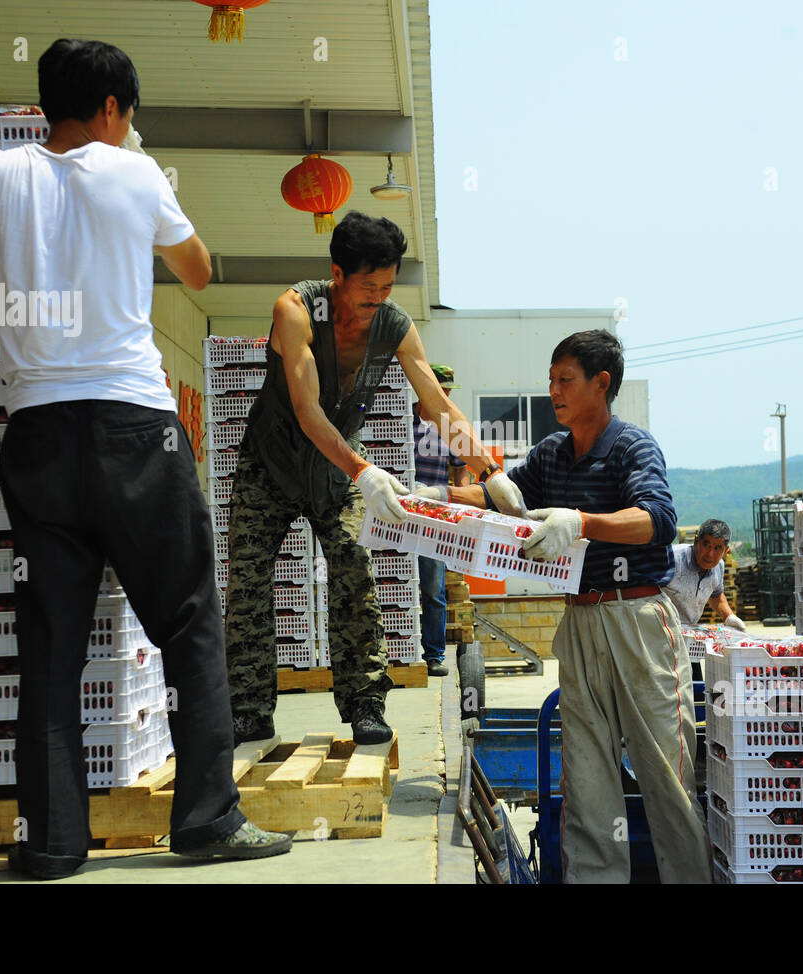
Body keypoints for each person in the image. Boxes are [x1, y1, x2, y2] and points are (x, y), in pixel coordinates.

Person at [0, 39, 292, 877]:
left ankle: (51, 844)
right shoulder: (137, 175)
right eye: (126, 113)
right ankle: (205, 822)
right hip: (137, 430)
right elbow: (201, 272)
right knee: (191, 626)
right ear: (110, 111)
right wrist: (142, 178)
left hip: (38, 439)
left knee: (50, 652)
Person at [417, 330, 710, 883]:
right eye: (550, 380)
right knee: (587, 779)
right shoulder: (552, 453)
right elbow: (504, 498)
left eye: (564, 380)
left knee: (665, 776)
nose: (553, 391)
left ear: (601, 384)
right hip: (580, 621)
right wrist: (429, 498)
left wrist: (580, 521)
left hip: (638, 622)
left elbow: (657, 521)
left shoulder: (632, 447)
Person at [224, 214, 522, 747]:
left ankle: (365, 701)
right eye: (369, 287)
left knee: (354, 572)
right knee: (247, 585)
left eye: (387, 287)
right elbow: (306, 409)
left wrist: (489, 470)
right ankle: (247, 708)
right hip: (270, 462)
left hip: (339, 466)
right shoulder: (295, 311)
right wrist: (363, 470)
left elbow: (435, 402)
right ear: (337, 273)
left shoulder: (394, 324)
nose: (378, 298)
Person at [412, 364, 472, 677]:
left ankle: (434, 656)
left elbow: (461, 469)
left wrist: (465, 503)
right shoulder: (402, 421)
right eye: (441, 389)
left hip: (432, 518)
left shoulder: (451, 428)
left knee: (433, 588)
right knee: (391, 588)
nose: (446, 396)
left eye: (449, 390)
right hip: (395, 516)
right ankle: (392, 653)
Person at [663, 520, 746, 630]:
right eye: (706, 545)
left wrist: (729, 617)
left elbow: (716, 595)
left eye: (717, 548)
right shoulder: (672, 558)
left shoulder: (719, 567)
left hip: (688, 631)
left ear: (726, 550)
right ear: (696, 541)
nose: (710, 554)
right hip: (661, 630)